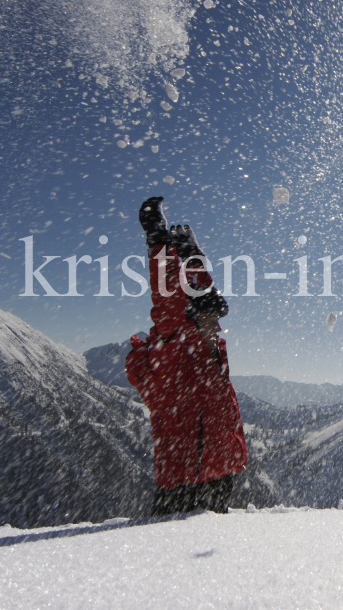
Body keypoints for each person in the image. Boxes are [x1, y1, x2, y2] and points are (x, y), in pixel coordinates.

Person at [125, 196, 248, 515]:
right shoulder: (176, 349)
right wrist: (157, 240)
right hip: (187, 481)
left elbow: (197, 294)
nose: (219, 325)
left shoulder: (208, 349)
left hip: (218, 472)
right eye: (213, 317)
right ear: (191, 319)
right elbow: (168, 299)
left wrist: (193, 256)